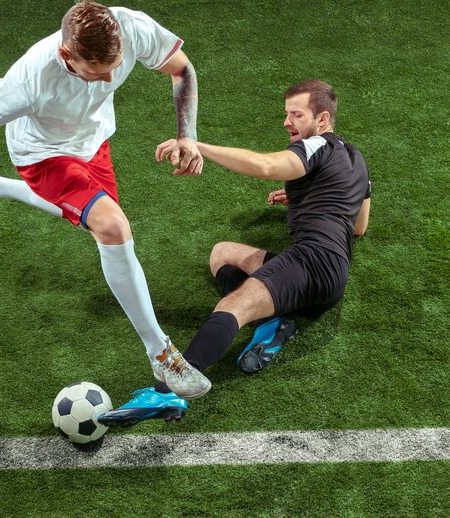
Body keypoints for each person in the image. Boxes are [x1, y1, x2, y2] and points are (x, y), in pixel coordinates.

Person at [0, 0, 211, 399]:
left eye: (113, 70)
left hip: (93, 140)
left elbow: (182, 68)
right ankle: (161, 354)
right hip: (42, 155)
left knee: (99, 226)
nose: (107, 80)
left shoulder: (129, 27)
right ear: (66, 54)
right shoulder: (28, 82)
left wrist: (188, 136)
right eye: (95, 74)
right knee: (113, 228)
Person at [99, 79, 371, 426]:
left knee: (232, 306)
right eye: (286, 114)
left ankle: (167, 393)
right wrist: (307, 195)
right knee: (222, 253)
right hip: (333, 276)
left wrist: (196, 145)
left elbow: (267, 167)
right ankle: (274, 323)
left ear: (321, 120)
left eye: (296, 114)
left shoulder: (316, 144)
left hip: (310, 261)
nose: (287, 122)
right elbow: (359, 225)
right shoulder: (357, 159)